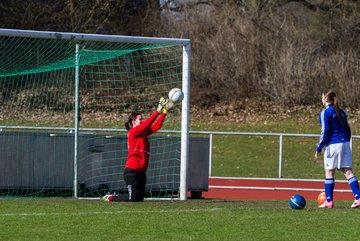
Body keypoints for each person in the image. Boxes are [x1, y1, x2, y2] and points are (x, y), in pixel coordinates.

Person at [102, 97, 174, 202]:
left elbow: (156, 126)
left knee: (139, 200)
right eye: (140, 119)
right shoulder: (133, 132)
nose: (142, 121)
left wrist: (164, 112)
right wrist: (157, 111)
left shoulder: (143, 133)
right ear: (133, 122)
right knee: (133, 199)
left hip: (141, 171)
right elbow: (147, 124)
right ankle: (111, 197)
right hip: (132, 170)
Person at [315, 90, 360, 208]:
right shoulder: (342, 112)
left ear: (325, 99)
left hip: (333, 145)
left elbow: (325, 131)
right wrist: (345, 141)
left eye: (322, 97)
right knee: (348, 172)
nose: (321, 99)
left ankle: (329, 201)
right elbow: (348, 130)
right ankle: (358, 197)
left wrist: (319, 148)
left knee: (329, 172)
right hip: (345, 144)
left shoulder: (325, 112)